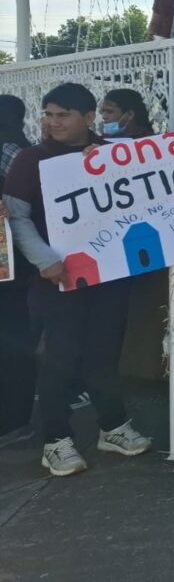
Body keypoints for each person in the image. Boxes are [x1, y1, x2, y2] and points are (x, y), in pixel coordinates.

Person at [4, 84, 153, 476]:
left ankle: (113, 427)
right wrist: (45, 261)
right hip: (55, 281)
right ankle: (56, 441)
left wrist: (109, 164)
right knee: (60, 359)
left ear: (88, 118)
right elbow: (17, 219)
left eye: (63, 115)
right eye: (49, 115)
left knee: (104, 354)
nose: (53, 123)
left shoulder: (113, 152)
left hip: (109, 276)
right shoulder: (31, 160)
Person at [0, 95, 36, 448]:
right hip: (16, 262)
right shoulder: (21, 148)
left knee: (11, 340)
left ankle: (14, 420)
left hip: (10, 262)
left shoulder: (9, 151)